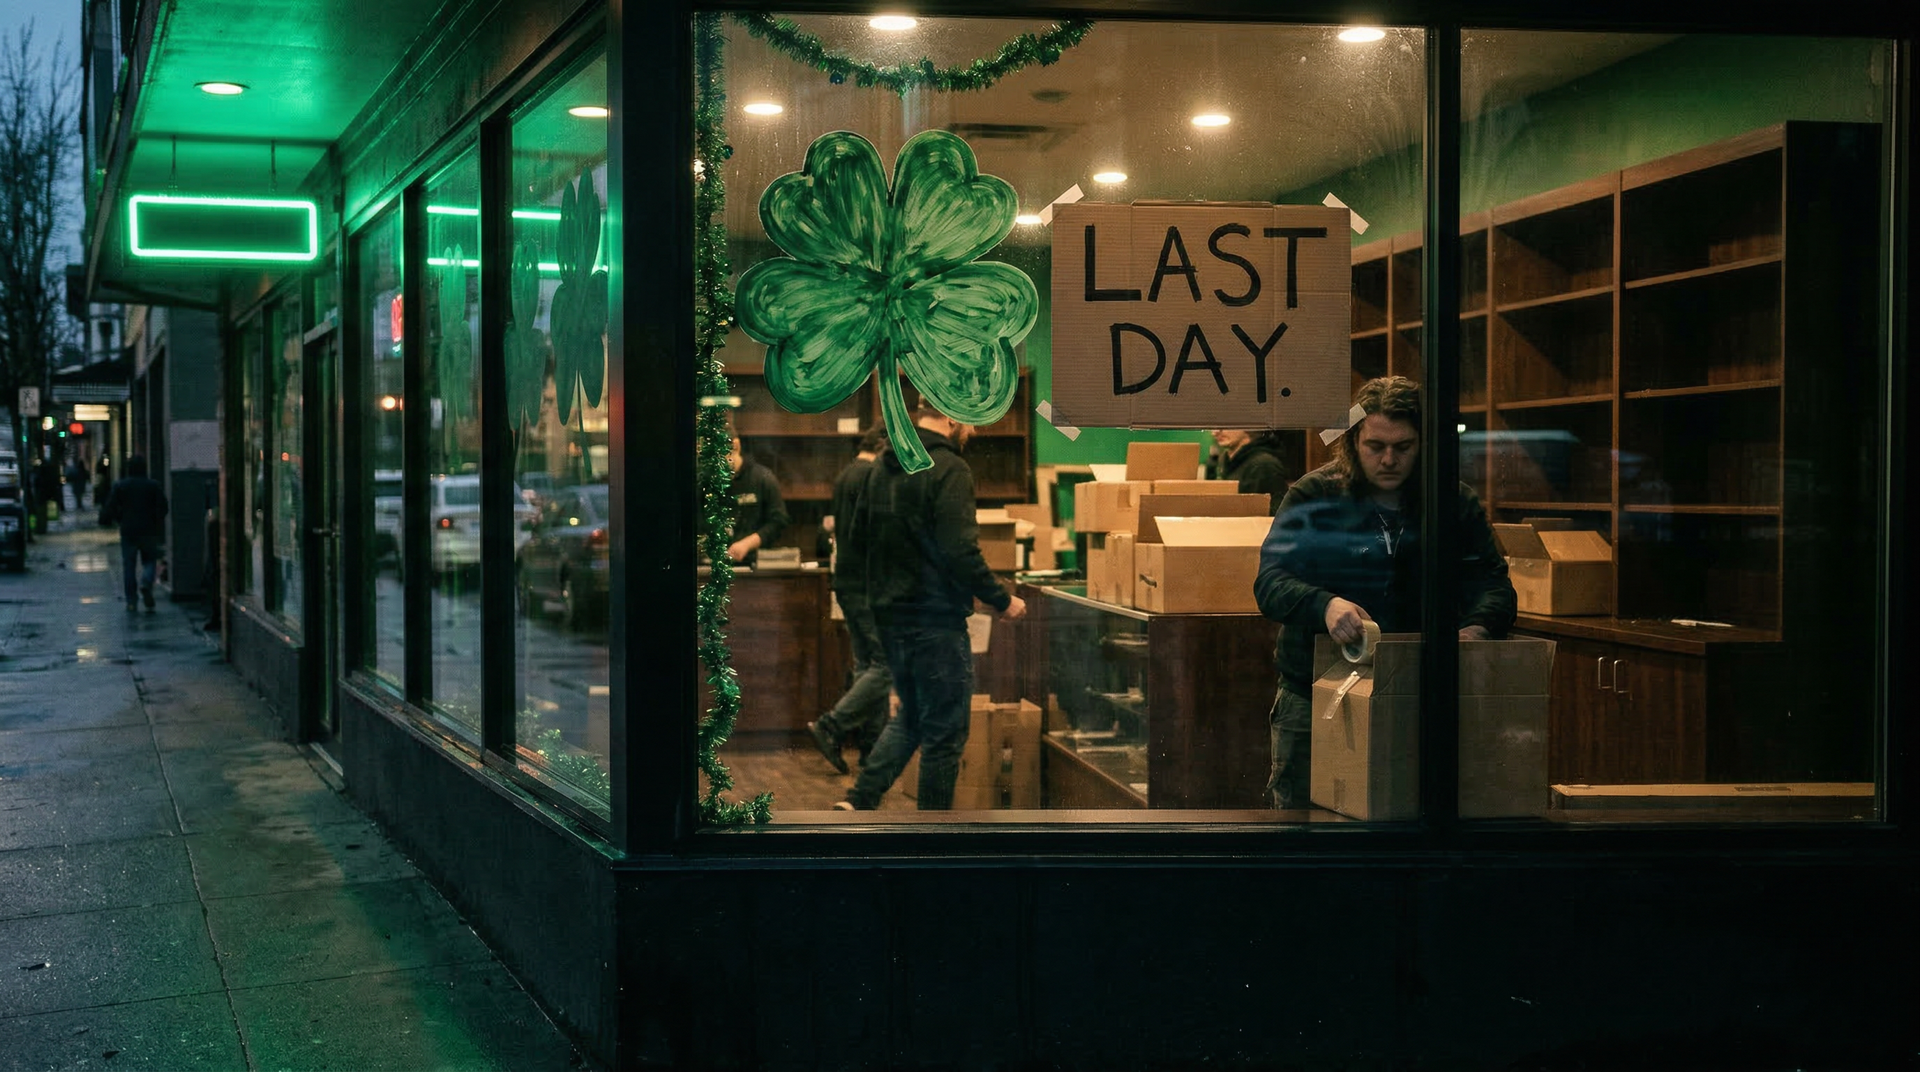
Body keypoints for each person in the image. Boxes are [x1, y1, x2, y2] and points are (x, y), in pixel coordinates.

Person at [1253, 376, 1516, 810]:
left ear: (1423, 444)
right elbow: (1270, 582)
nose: (1389, 459)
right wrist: (1325, 605)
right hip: (1317, 694)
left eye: (1404, 447)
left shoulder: (1451, 503)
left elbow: (1494, 585)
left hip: (1418, 695)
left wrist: (1478, 628)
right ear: (1354, 440)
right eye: (1376, 446)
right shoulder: (1315, 496)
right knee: (1303, 832)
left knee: (1406, 825)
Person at [835, 398, 1026, 811]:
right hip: (935, 620)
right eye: (971, 422)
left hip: (890, 616)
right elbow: (960, 550)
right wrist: (1001, 599)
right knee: (945, 733)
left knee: (914, 716)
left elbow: (857, 538)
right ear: (954, 416)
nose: (972, 433)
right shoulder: (950, 468)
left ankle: (859, 799)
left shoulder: (882, 466)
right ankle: (935, 836)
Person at [808, 426, 891, 773]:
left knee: (867, 665)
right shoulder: (874, 475)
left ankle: (873, 751)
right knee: (887, 664)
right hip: (869, 582)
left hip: (847, 580)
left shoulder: (845, 474)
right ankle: (832, 725)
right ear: (885, 445)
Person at [98, 454, 171, 611]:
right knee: (150, 561)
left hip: (128, 529)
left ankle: (131, 601)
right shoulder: (153, 485)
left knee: (129, 565)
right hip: (148, 529)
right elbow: (163, 507)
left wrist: (119, 519)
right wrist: (155, 520)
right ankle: (146, 582)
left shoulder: (121, 486)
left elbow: (110, 507)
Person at [726, 435, 788, 567]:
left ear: (735, 446)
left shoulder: (762, 478)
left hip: (754, 566)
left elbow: (779, 522)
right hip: (711, 568)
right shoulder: (704, 482)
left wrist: (747, 544)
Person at [1210, 429, 1297, 514]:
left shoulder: (1264, 465)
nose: (1215, 432)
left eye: (1225, 424)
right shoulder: (1224, 461)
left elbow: (1277, 517)